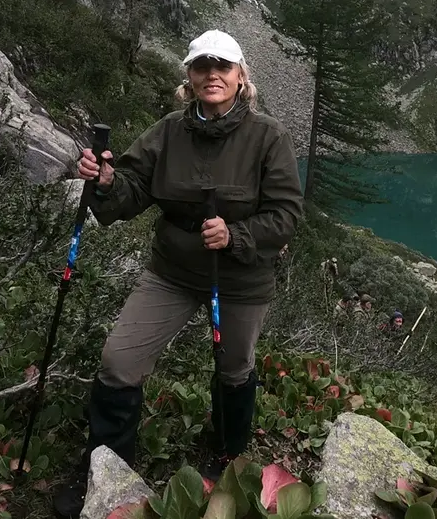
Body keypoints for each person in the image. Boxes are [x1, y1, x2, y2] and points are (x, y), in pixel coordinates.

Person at [53, 29, 304, 518]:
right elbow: (132, 188)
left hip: (239, 277)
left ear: (240, 77)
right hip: (172, 270)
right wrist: (105, 181)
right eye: (201, 66)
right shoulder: (168, 130)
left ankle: (228, 460)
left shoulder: (267, 136)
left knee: (234, 370)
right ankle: (105, 470)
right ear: (188, 77)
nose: (212, 74)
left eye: (223, 66)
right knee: (118, 361)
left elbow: (286, 213)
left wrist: (235, 236)